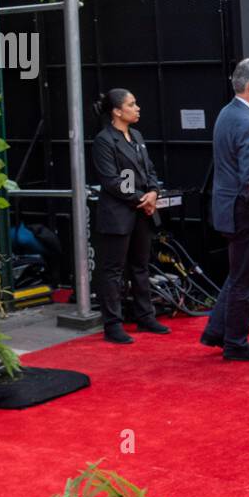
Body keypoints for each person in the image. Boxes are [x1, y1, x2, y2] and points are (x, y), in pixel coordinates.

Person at [201, 58, 249, 362]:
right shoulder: (246, 123)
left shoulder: (228, 113)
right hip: (245, 212)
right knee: (245, 279)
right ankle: (236, 342)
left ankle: (216, 331)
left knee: (237, 274)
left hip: (229, 209)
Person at [90, 89, 171, 344]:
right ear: (116, 111)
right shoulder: (104, 141)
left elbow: (150, 170)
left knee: (140, 266)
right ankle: (112, 324)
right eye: (131, 104)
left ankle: (145, 316)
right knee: (113, 270)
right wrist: (141, 199)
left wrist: (154, 193)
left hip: (141, 213)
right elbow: (111, 180)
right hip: (118, 214)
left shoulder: (136, 135)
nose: (137, 108)